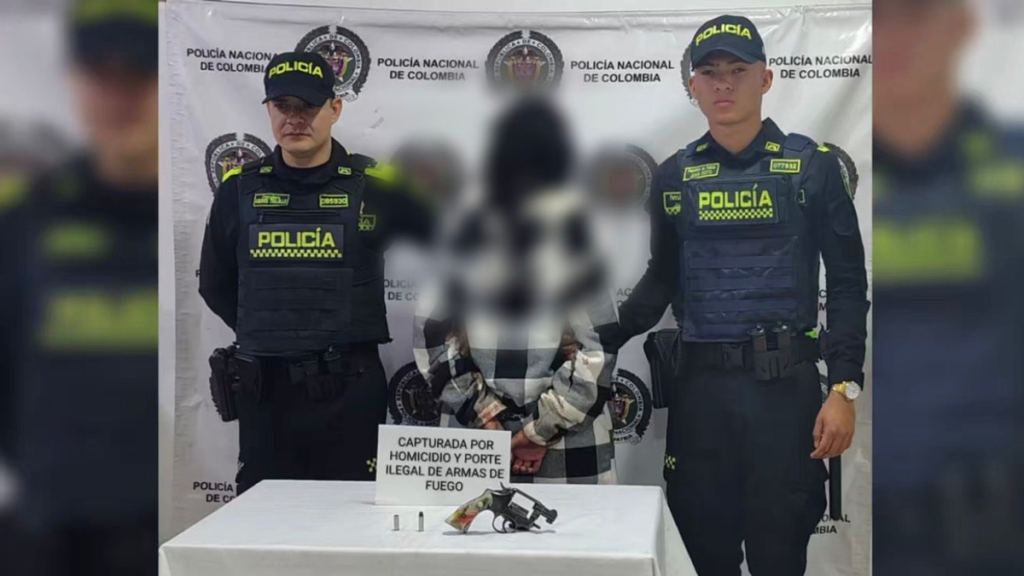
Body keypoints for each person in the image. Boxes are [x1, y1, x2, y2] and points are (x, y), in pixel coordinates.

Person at [614, 15, 869, 575]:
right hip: (701, 397)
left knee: (779, 557)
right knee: (705, 557)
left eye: (737, 70)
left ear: (765, 79)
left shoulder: (812, 168)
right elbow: (662, 278)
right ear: (693, 85)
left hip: (783, 396)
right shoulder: (675, 176)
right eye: (710, 73)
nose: (723, 84)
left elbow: (848, 284)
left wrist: (844, 387)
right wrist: (600, 336)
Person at [199, 51, 432, 494]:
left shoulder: (375, 186)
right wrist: (276, 330)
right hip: (266, 391)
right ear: (269, 110)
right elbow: (214, 284)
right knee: (262, 520)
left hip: (349, 392)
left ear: (335, 108)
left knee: (353, 517)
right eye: (282, 106)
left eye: (307, 106)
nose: (294, 119)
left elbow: (449, 248)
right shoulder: (239, 189)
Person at [0, 0, 159, 573]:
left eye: (137, 77)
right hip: (47, 533)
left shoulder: (214, 219)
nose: (118, 100)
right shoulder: (27, 219)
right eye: (101, 78)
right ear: (75, 82)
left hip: (174, 531)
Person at [874, 1, 1024, 573]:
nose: (894, 36)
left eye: (915, 14)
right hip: (874, 527)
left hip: (997, 526)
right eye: (880, 16)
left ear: (962, 25)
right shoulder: (827, 178)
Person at [413, 98, 619, 483]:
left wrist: (528, 430)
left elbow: (600, 346)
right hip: (492, 445)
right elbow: (432, 335)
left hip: (557, 448)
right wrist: (500, 422)